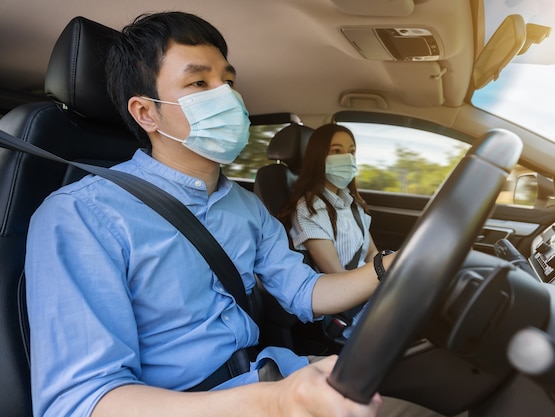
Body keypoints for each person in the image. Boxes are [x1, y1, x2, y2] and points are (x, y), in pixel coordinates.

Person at [23, 11, 421, 417]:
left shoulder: (248, 208)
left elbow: (305, 293)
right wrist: (274, 403)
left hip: (268, 373)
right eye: (199, 82)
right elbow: (79, 402)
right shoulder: (80, 215)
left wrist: (391, 267)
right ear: (146, 113)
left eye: (228, 81)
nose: (228, 96)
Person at [278, 124, 387, 339]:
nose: (346, 158)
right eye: (336, 151)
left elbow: (372, 253)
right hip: (344, 308)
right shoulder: (308, 210)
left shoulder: (353, 203)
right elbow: (337, 276)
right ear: (319, 157)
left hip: (366, 292)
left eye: (351, 151)